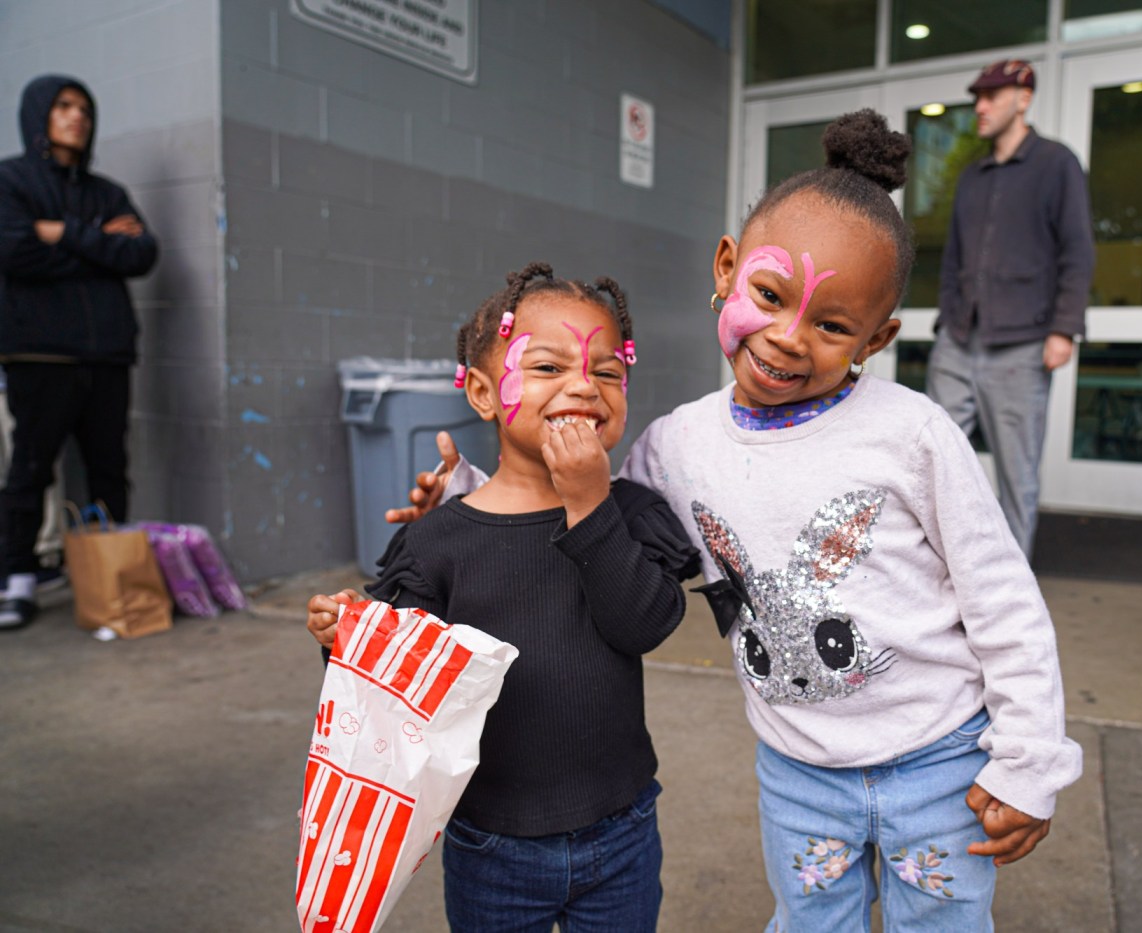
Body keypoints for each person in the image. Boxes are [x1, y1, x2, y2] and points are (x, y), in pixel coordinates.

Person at [395, 111, 1081, 931]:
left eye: (831, 325)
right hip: (799, 768)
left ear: (877, 338)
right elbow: (585, 500)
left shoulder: (914, 435)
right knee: (809, 919)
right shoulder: (680, 445)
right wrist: (469, 493)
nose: (789, 339)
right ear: (726, 268)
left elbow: (1004, 602)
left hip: (939, 758)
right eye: (768, 294)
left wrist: (1029, 762)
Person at [306, 263, 700, 932]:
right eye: (548, 367)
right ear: (484, 394)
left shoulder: (628, 511)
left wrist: (589, 503)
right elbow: (398, 687)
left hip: (622, 828)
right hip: (492, 841)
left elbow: (645, 623)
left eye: (607, 372)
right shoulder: (442, 539)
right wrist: (347, 635)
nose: (584, 385)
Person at [0, 75, 159, 629]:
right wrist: (97, 241)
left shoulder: (107, 191)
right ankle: (17, 577)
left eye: (85, 109)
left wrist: (59, 232)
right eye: (64, 106)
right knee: (30, 470)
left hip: (108, 354)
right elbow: (15, 253)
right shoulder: (10, 180)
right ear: (39, 113)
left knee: (108, 469)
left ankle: (107, 579)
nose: (77, 117)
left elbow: (141, 253)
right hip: (39, 354)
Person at [926, 59, 1095, 558]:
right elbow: (954, 255)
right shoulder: (971, 176)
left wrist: (1064, 328)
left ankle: (1011, 590)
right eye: (977, 97)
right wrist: (946, 319)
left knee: (1017, 475)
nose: (979, 107)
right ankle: (942, 572)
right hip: (958, 340)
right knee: (934, 461)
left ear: (1023, 99)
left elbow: (1078, 251)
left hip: (1022, 345)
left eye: (991, 97)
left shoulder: (1055, 164)